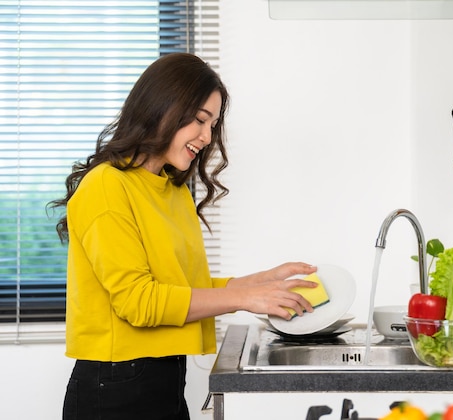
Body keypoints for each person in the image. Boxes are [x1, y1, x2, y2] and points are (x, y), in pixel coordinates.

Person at [49, 52, 318, 420]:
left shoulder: (170, 189)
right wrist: (245, 297)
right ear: (162, 107)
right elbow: (139, 302)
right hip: (115, 388)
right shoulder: (107, 187)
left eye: (213, 124)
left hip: (163, 378)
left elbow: (178, 288)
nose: (207, 137)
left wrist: (256, 284)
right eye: (200, 120)